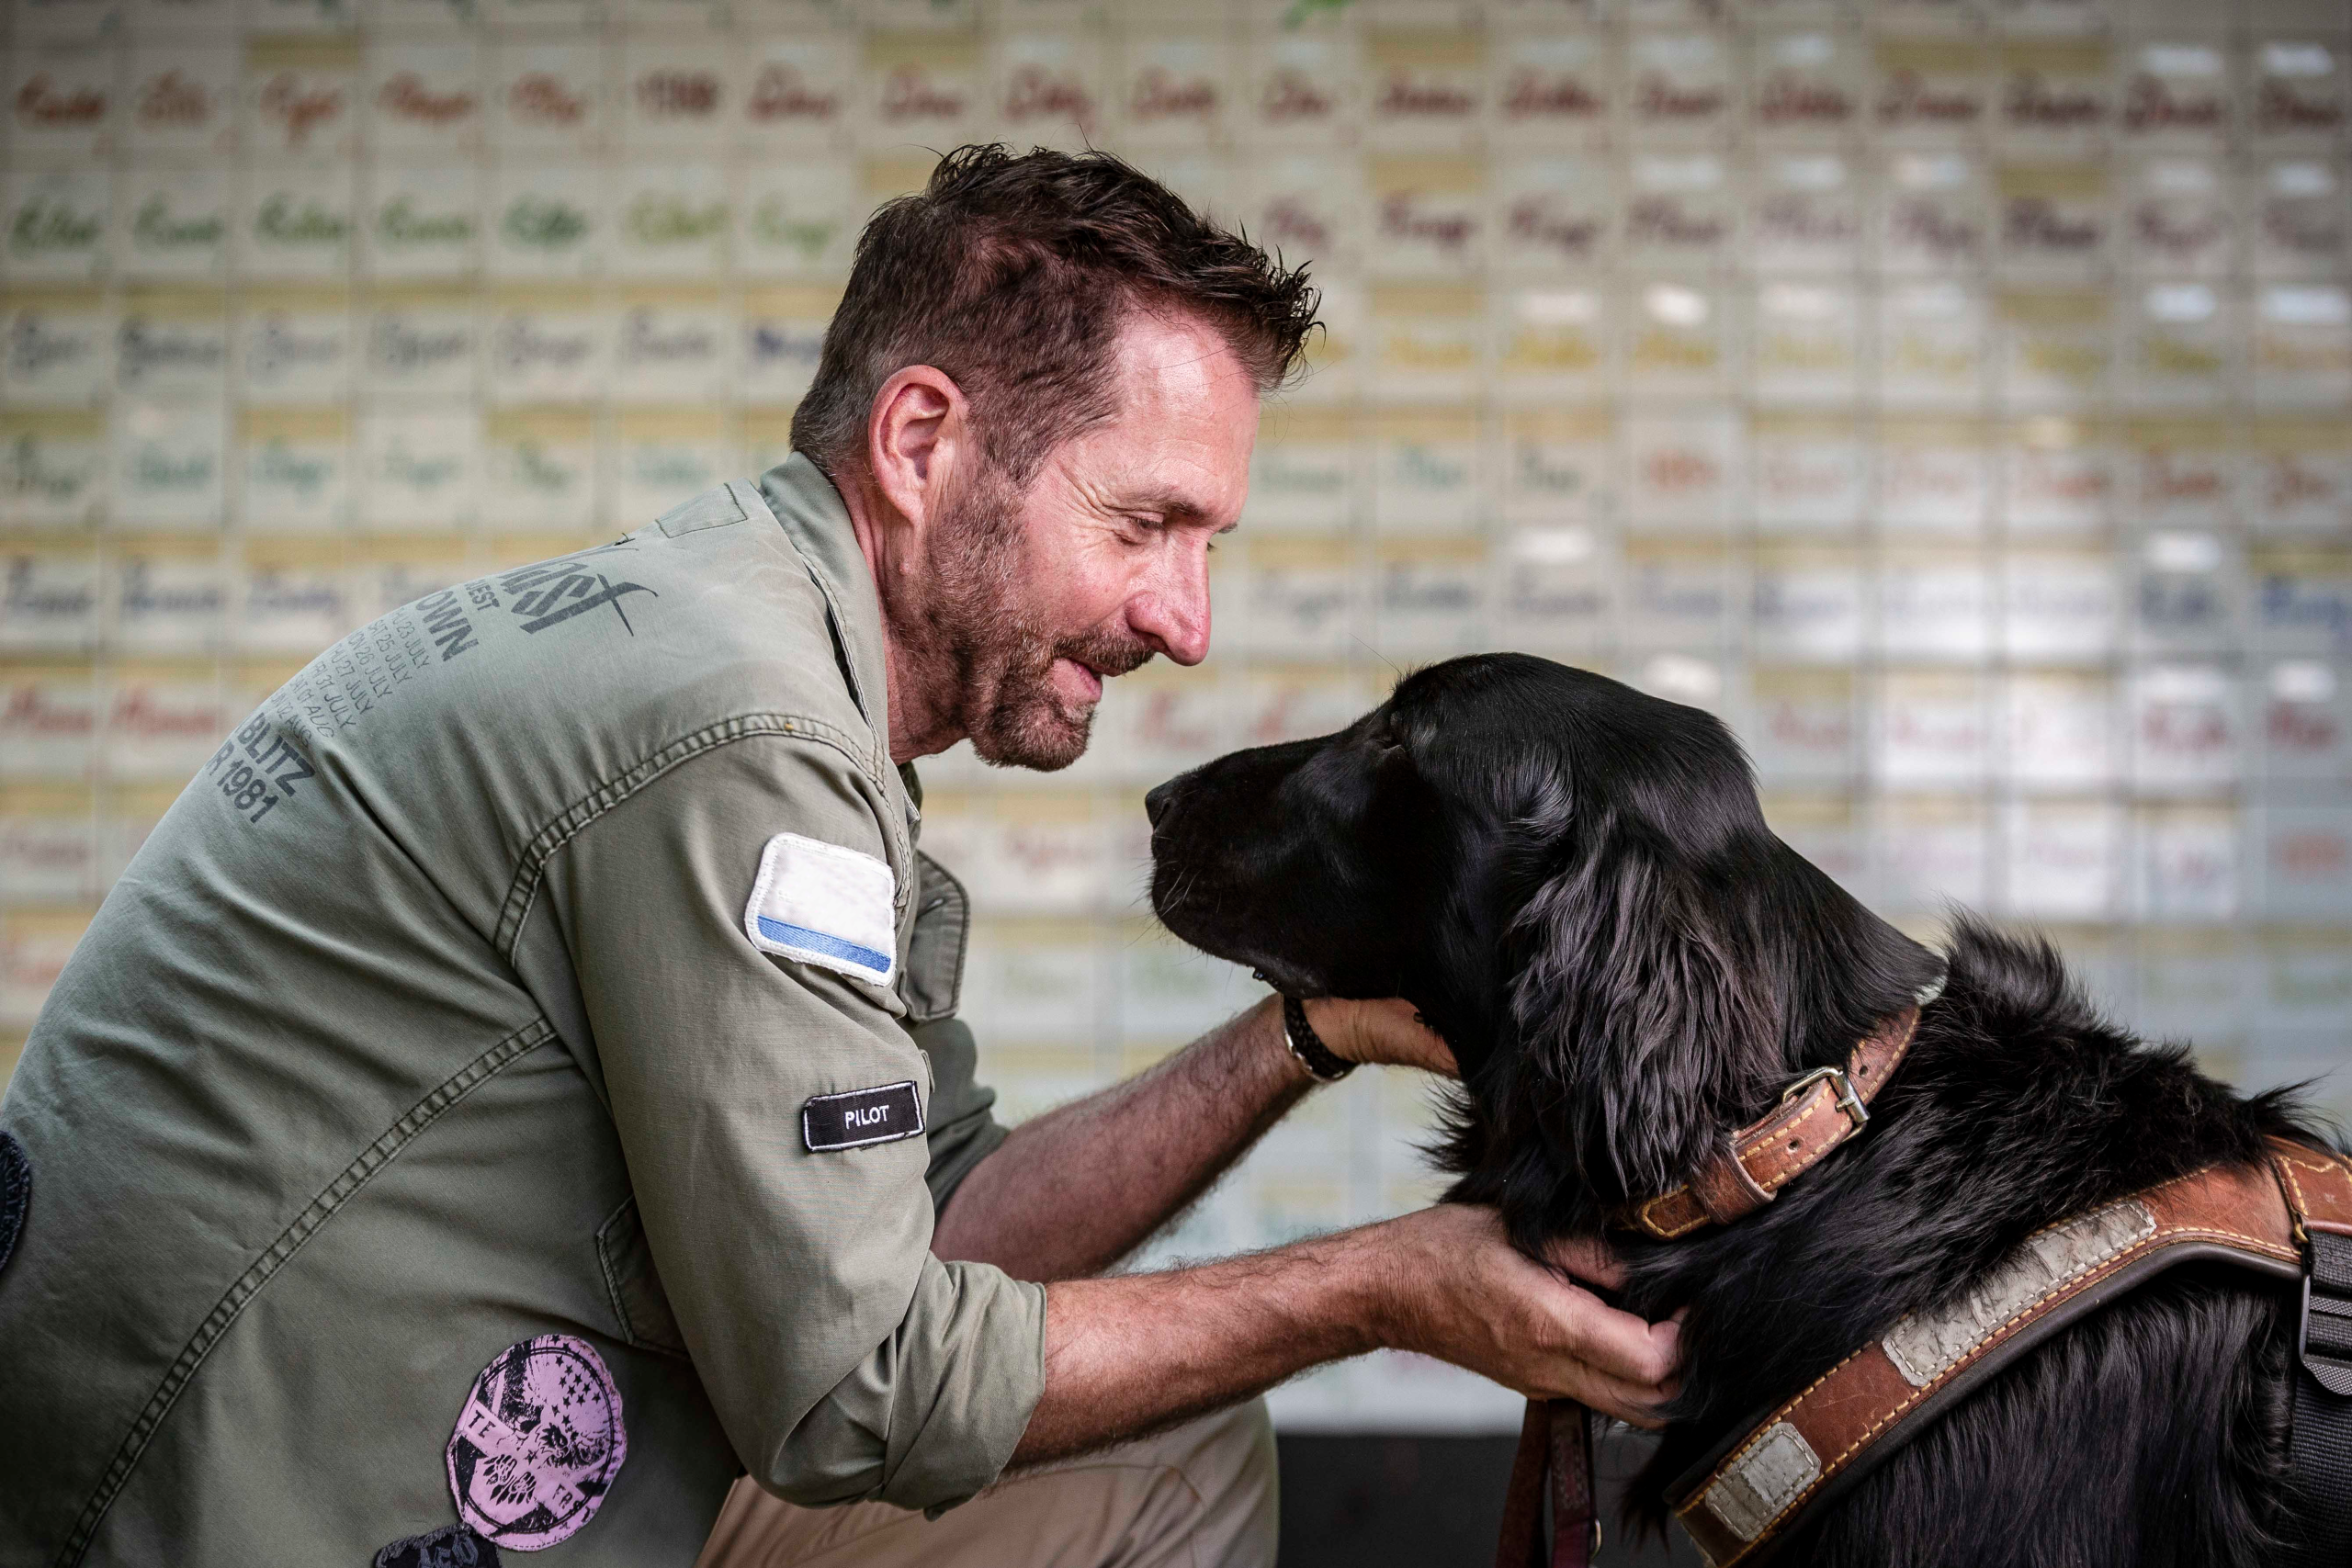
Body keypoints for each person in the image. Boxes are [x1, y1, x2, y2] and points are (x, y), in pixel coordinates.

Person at [0, 147, 1676, 1568]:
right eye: (1143, 524)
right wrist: (1388, 1285)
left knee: (1180, 1451)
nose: (1187, 618)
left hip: (426, 1428)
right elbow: (859, 1379)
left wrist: (1305, 1030)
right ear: (922, 440)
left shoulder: (766, 665)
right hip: (201, 1500)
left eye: (1206, 544)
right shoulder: (745, 732)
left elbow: (939, 1229)